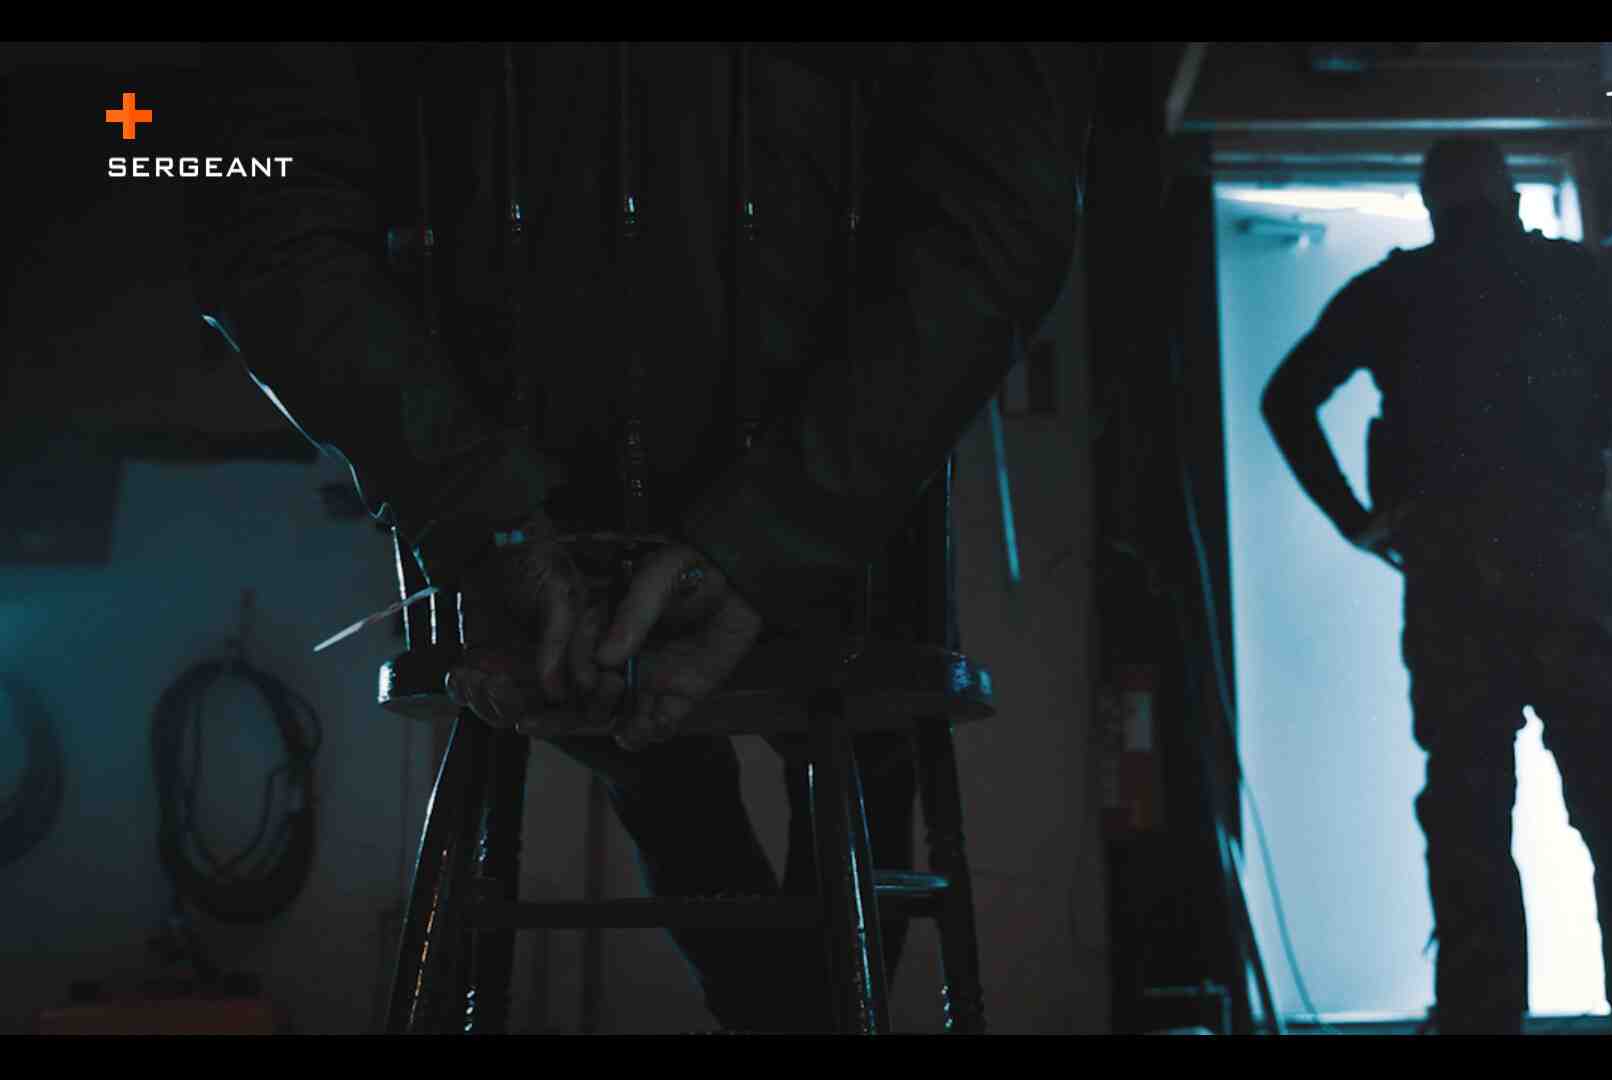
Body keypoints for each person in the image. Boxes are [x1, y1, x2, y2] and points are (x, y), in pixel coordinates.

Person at [191, 42, 1094, 1032]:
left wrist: (486, 516)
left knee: (687, 728)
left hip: (547, 515)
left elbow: (261, 220)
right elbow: (1004, 216)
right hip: (821, 524)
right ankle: (786, 993)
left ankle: (720, 899)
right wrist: (778, 528)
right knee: (856, 748)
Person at [1260, 136, 1612, 1035]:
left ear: (1431, 203)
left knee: (1467, 817)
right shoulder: (1575, 277)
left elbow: (1286, 397)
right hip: (1567, 569)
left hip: (1453, 581)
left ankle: (1479, 1018)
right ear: (1509, 195)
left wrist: (1356, 521)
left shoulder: (1394, 290)